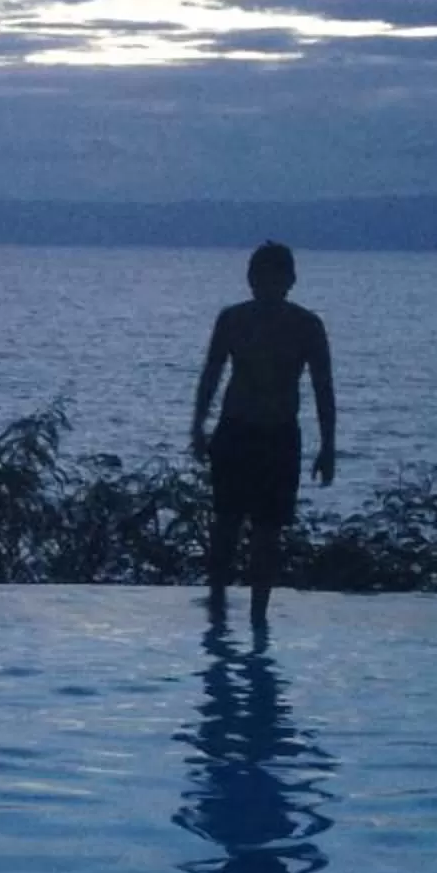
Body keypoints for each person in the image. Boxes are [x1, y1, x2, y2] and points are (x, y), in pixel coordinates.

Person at [190, 241, 335, 628]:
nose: (268, 285)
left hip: (280, 435)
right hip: (236, 431)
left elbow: (323, 387)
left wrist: (328, 446)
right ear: (251, 280)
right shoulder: (233, 320)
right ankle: (218, 604)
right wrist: (198, 426)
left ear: (289, 281)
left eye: (276, 277)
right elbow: (212, 374)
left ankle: (259, 612)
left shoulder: (307, 326)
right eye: (261, 277)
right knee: (226, 522)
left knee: (269, 530)